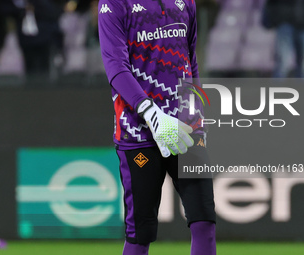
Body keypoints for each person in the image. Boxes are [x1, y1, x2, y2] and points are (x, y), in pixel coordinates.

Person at [98, 1, 216, 255]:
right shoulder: (114, 3)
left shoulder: (187, 2)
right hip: (138, 132)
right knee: (141, 234)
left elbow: (189, 58)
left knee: (204, 220)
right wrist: (152, 115)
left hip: (186, 128)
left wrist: (197, 113)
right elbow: (115, 66)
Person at [262, 0, 304, 78]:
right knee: (283, 62)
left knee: (303, 63)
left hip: (303, 24)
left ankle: (303, 88)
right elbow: (270, 4)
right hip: (284, 24)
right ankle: (278, 88)